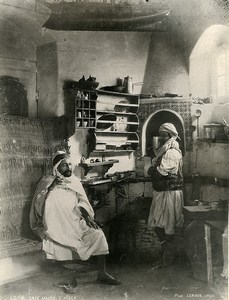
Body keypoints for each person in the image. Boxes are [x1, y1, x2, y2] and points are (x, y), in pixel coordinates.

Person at [30, 151, 121, 292]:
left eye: (70, 164)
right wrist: (52, 187)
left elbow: (83, 201)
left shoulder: (74, 181)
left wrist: (85, 214)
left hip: (76, 223)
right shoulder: (47, 182)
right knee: (61, 245)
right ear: (57, 168)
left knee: (98, 235)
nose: (69, 168)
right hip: (56, 226)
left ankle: (102, 273)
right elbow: (38, 205)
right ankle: (69, 278)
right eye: (64, 165)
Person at [147, 123, 184, 267]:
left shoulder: (172, 152)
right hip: (162, 192)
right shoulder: (164, 151)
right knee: (157, 224)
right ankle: (167, 253)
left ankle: (167, 257)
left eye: (164, 135)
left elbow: (159, 171)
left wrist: (153, 169)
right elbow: (155, 169)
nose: (162, 137)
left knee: (167, 226)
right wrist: (154, 168)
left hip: (170, 193)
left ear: (171, 135)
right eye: (161, 134)